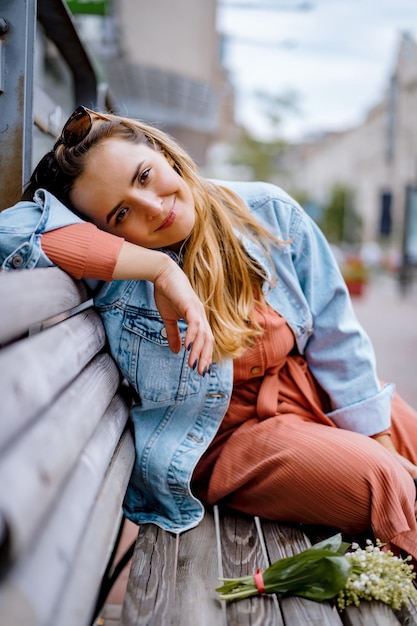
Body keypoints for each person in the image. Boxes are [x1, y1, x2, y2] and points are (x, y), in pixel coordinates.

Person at [2, 106, 417, 558]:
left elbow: (338, 336)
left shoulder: (268, 214)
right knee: (385, 479)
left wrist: (377, 435)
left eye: (144, 176)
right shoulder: (117, 269)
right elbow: (11, 231)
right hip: (224, 437)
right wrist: (159, 268)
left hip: (307, 389)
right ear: (103, 231)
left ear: (162, 151)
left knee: (402, 446)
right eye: (121, 214)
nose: (154, 207)